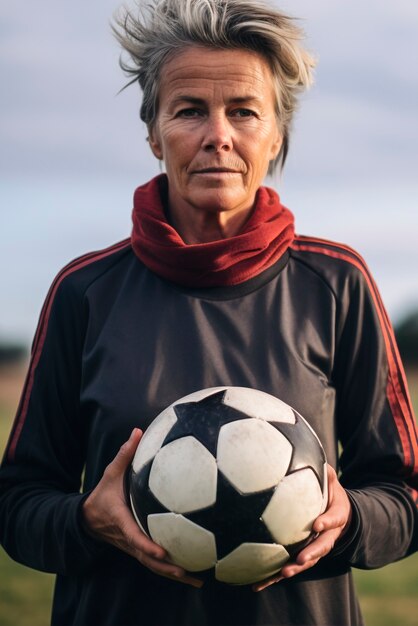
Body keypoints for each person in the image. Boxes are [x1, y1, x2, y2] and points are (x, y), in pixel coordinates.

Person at [1, 0, 417, 624]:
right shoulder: (84, 291)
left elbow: (403, 494)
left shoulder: (336, 283)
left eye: (244, 112)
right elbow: (19, 505)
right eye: (190, 109)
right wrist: (86, 520)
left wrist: (351, 518)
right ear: (153, 132)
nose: (218, 135)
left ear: (275, 134)